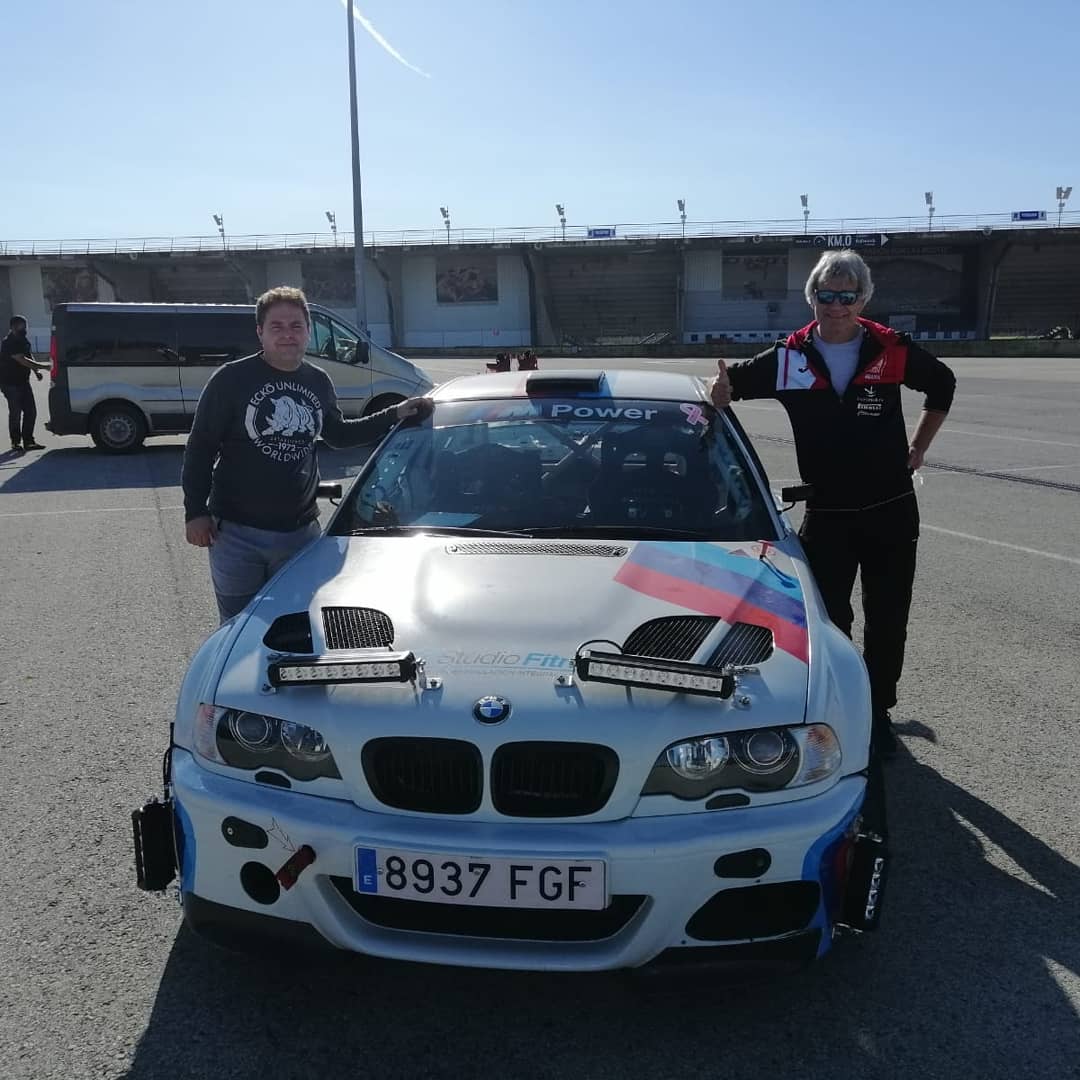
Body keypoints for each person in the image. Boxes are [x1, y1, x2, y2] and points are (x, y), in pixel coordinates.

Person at [709, 249, 956, 756]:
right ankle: (838, 703)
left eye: (848, 295)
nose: (837, 305)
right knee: (829, 620)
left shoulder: (891, 348)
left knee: (888, 616)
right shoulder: (788, 356)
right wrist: (721, 389)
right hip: (827, 513)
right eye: (828, 294)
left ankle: (879, 711)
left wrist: (919, 447)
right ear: (813, 297)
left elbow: (943, 384)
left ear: (863, 298)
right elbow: (730, 388)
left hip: (890, 506)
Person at [182, 285, 433, 622]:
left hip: (299, 534)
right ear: (260, 332)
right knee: (238, 627)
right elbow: (200, 448)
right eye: (277, 327)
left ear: (308, 331)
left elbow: (339, 434)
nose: (288, 334)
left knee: (297, 624)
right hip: (237, 537)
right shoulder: (230, 380)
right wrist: (195, 511)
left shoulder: (317, 380)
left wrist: (395, 414)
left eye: (296, 326)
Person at [0, 315, 49, 452]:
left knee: (30, 411)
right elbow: (22, 360)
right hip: (9, 383)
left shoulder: (23, 339)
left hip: (23, 381)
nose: (24, 328)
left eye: (25, 325)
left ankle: (29, 441)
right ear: (13, 327)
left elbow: (28, 355)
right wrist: (45, 367)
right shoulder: (9, 342)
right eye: (21, 325)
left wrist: (36, 371)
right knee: (15, 412)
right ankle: (15, 442)